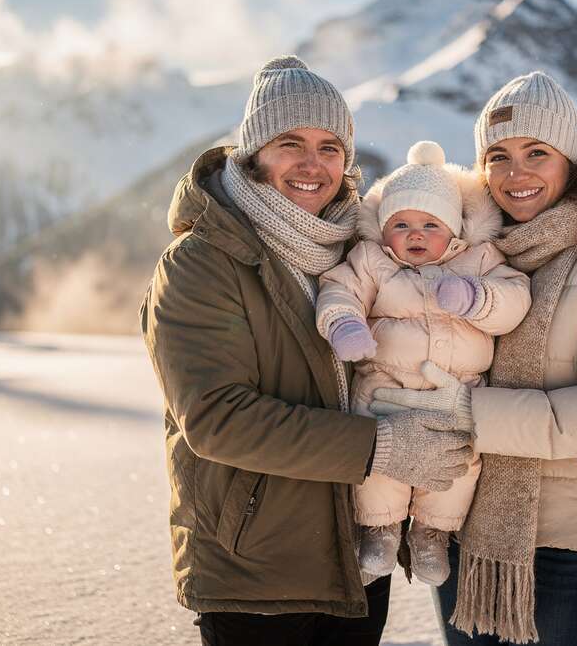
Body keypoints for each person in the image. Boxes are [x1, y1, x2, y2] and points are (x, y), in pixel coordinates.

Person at [140, 55, 472, 646]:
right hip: (258, 567)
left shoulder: (355, 252)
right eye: (290, 143)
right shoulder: (201, 263)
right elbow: (218, 420)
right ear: (253, 153)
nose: (312, 164)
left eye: (329, 147)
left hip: (353, 554)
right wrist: (381, 446)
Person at [372, 71, 577, 645]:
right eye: (499, 157)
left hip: (576, 542)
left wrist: (469, 413)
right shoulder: (465, 253)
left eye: (537, 152)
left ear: (573, 159)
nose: (516, 175)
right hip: (466, 521)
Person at [315, 140, 531, 586]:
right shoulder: (372, 260)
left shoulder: (480, 260)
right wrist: (344, 324)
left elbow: (515, 299)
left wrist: (476, 298)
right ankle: (380, 528)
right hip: (385, 388)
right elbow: (340, 290)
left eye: (430, 224)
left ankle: (432, 532)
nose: (415, 235)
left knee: (459, 463)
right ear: (383, 230)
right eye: (401, 225)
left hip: (456, 394)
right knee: (378, 460)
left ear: (453, 229)